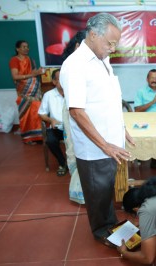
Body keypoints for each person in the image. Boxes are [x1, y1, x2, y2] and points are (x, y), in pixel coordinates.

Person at [59, 13, 134, 246]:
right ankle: (103, 230)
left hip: (110, 144)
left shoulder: (102, 59)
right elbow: (77, 111)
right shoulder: (75, 65)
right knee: (97, 192)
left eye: (115, 44)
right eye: (109, 43)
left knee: (105, 191)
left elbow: (108, 100)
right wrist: (105, 144)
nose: (113, 48)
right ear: (93, 35)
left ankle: (111, 222)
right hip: (95, 148)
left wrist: (121, 130)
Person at [61, 30, 87, 204]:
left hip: (82, 109)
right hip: (75, 110)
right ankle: (80, 192)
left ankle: (88, 189)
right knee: (77, 147)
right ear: (78, 46)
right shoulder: (72, 65)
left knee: (85, 149)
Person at [9, 40, 44, 145]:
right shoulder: (14, 60)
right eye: (23, 47)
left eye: (27, 47)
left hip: (34, 91)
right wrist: (32, 75)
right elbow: (15, 76)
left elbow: (33, 73)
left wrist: (38, 72)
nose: (26, 49)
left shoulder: (31, 60)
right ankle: (28, 138)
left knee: (37, 111)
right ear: (17, 49)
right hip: (24, 91)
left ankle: (39, 136)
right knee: (26, 114)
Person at [38, 69, 67, 176]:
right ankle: (63, 163)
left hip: (73, 128)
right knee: (50, 140)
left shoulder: (74, 93)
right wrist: (51, 120)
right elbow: (42, 113)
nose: (64, 81)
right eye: (60, 79)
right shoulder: (48, 95)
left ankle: (78, 165)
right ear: (54, 82)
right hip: (57, 127)